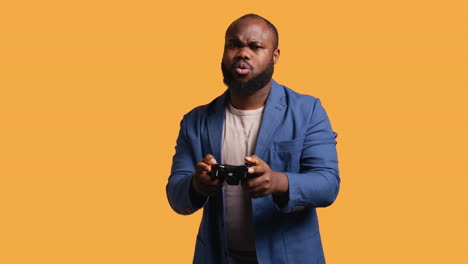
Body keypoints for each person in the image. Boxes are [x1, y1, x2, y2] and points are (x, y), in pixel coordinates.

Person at [166, 14, 340, 264]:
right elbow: (175, 194)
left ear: (275, 55)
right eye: (233, 45)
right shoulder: (196, 120)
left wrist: (278, 182)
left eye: (255, 46)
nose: (242, 53)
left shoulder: (308, 111)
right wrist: (196, 185)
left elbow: (327, 184)